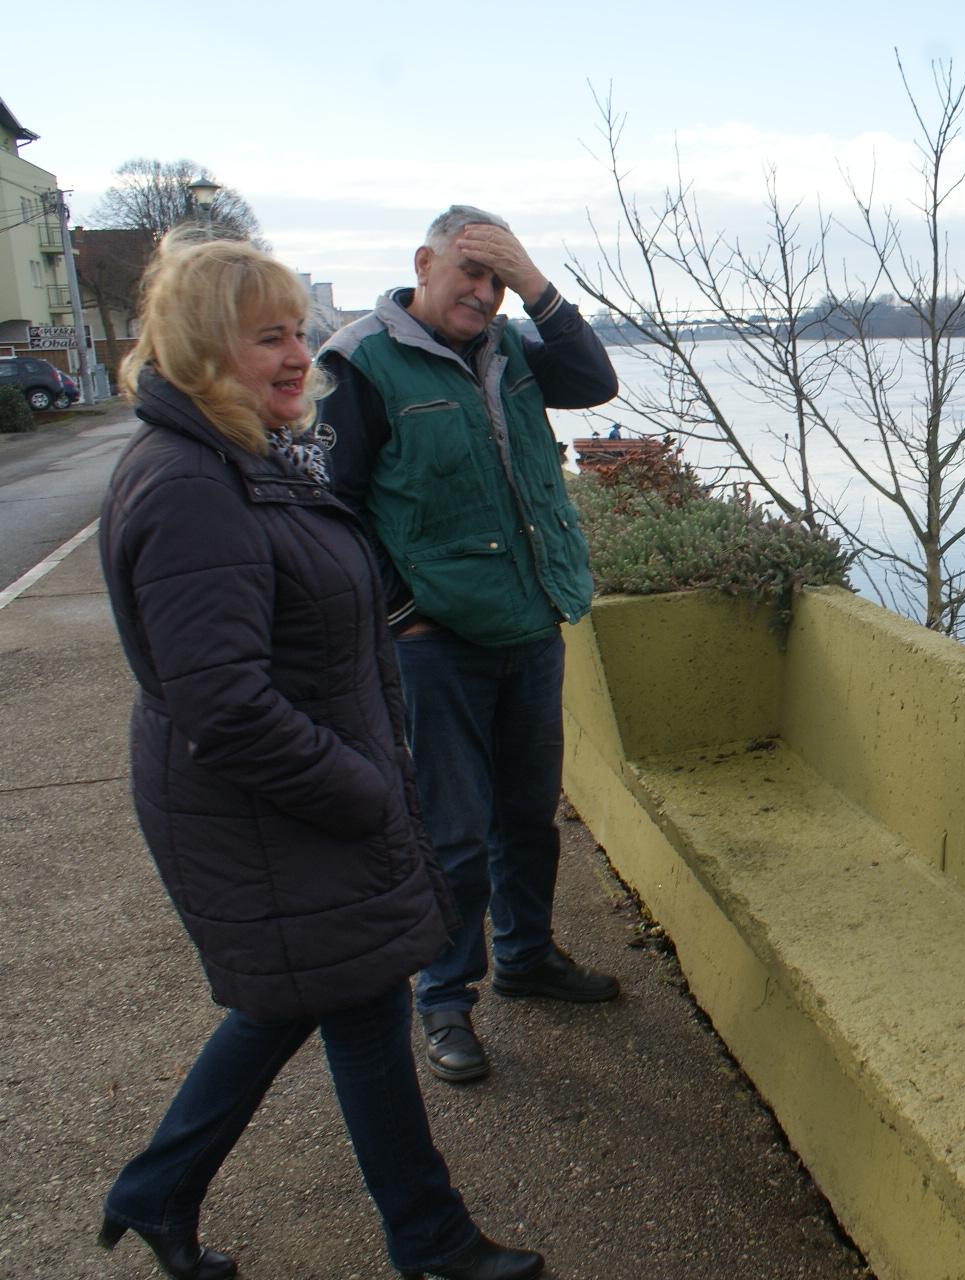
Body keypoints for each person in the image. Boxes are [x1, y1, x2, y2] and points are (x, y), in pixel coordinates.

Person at [96, 232, 543, 1280]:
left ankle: (159, 1189)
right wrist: (364, 790)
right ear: (203, 350)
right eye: (267, 338)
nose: (300, 356)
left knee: (310, 996)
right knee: (352, 998)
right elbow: (227, 703)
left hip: (293, 798)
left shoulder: (250, 455)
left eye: (299, 331)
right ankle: (429, 1240)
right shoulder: (190, 486)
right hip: (277, 804)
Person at [316, 206, 620, 1085]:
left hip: (530, 622)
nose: (482, 293)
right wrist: (401, 609)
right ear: (424, 262)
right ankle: (444, 998)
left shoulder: (511, 347)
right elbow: (335, 513)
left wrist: (537, 283)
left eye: (497, 278)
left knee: (528, 817)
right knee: (452, 832)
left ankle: (526, 958)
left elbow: (595, 383)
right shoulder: (361, 359)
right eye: (470, 273)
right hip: (434, 640)